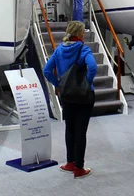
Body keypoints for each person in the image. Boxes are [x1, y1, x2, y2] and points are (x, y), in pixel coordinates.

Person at [43, 21, 97, 179]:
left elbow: (47, 70)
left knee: (70, 129)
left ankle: (70, 163)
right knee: (81, 131)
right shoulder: (83, 49)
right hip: (84, 96)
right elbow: (93, 67)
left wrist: (59, 84)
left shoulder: (59, 49)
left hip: (66, 95)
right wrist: (87, 82)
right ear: (80, 34)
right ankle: (79, 168)